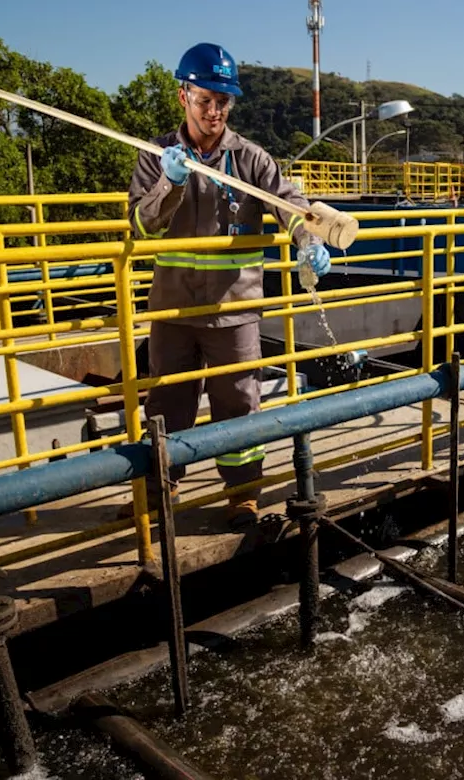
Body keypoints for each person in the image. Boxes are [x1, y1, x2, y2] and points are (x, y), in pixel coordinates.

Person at [126, 42, 331, 528]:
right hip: (173, 310)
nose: (214, 111)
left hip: (235, 309)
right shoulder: (157, 158)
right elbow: (141, 225)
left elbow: (288, 202)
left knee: (239, 404)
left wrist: (306, 238)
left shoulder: (251, 159)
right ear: (183, 97)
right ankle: (159, 493)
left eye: (223, 102)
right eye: (205, 101)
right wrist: (171, 183)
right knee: (166, 403)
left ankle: (243, 495)